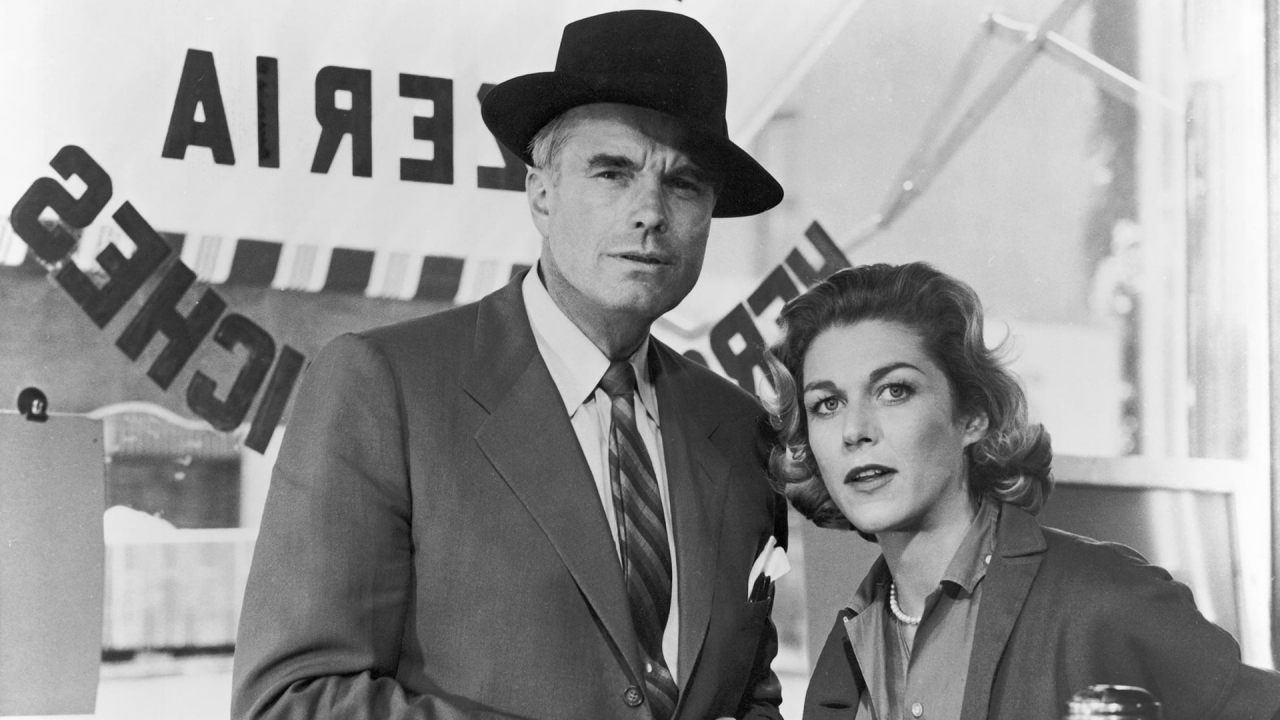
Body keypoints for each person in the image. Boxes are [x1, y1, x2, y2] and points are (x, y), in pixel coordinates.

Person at [231, 10, 789, 720]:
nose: (650, 211)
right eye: (612, 172)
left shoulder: (738, 430)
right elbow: (290, 700)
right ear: (540, 194)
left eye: (684, 184)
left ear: (710, 212)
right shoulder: (384, 387)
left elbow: (751, 697)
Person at [762, 262, 1280, 719]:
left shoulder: (1102, 598)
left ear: (973, 416)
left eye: (894, 391)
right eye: (826, 405)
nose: (855, 430)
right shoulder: (845, 652)